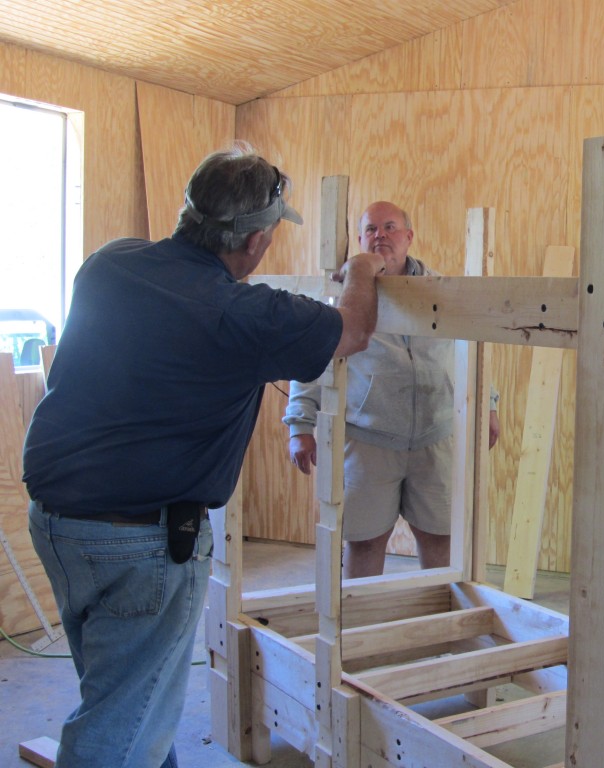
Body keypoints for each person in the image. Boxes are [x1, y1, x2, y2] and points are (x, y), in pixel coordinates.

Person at [22, 143, 385, 768]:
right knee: (119, 722)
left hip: (58, 521)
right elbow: (352, 330)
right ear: (254, 244)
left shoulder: (112, 262)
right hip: (142, 543)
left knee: (129, 696)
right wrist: (362, 270)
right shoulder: (240, 313)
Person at [283, 200, 499, 579]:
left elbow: (472, 346)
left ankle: (439, 627)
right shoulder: (341, 292)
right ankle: (361, 631)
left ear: (409, 237)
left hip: (436, 437)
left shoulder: (441, 290)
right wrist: (299, 425)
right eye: (370, 229)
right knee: (364, 543)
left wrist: (489, 406)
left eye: (390, 227)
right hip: (368, 442)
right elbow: (310, 354)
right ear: (360, 238)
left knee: (440, 539)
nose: (380, 235)